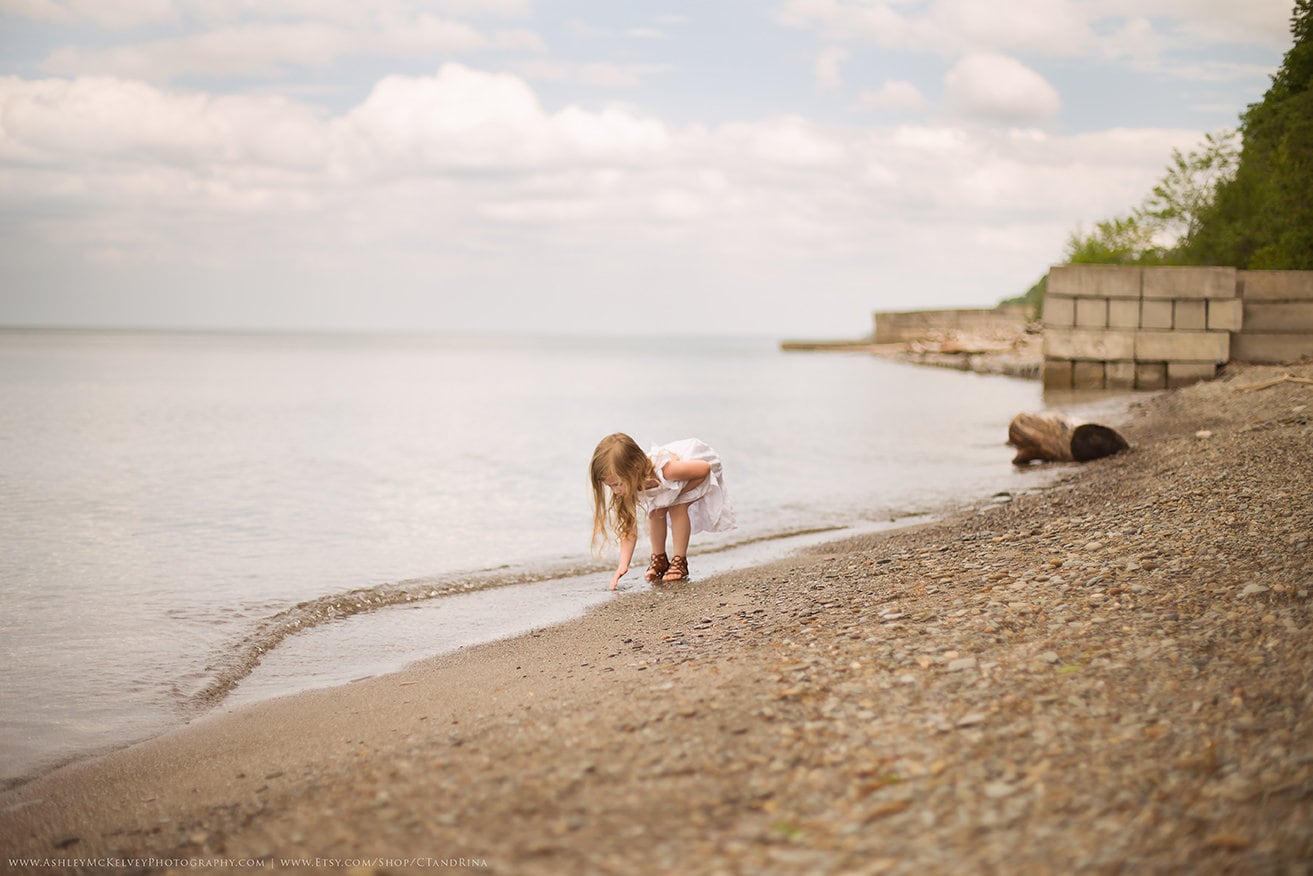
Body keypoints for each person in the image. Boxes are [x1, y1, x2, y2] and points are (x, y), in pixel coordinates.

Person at [589, 433, 736, 590]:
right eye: (610, 486)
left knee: (677, 507)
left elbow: (704, 469)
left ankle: (679, 561)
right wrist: (623, 565)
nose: (615, 491)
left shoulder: (667, 470)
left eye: (617, 484)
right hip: (679, 478)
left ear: (634, 469)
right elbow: (628, 528)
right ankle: (659, 560)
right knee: (656, 511)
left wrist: (680, 494)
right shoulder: (625, 484)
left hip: (696, 467)